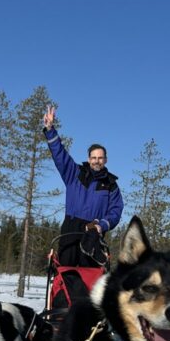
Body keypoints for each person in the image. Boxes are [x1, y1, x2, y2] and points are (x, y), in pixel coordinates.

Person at [42, 105, 123, 268]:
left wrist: (102, 225)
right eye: (94, 157)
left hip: (92, 234)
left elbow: (115, 211)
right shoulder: (75, 173)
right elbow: (60, 155)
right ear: (88, 158)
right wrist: (50, 130)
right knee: (66, 273)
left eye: (100, 158)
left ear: (105, 160)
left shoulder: (111, 185)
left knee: (90, 277)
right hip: (70, 229)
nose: (97, 161)